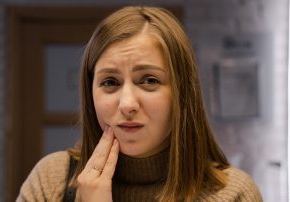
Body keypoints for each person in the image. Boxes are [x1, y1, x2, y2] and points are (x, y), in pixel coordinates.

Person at [17, 6, 263, 202]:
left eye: (149, 80)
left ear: (182, 93)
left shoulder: (233, 194)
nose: (127, 104)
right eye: (110, 82)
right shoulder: (52, 180)